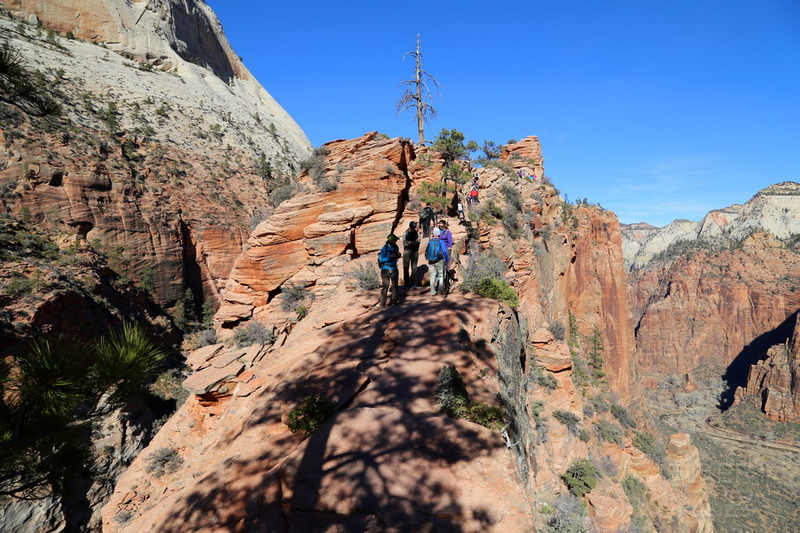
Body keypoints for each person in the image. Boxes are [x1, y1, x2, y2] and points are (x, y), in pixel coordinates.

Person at [378, 234, 401, 308]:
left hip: (394, 268)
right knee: (386, 286)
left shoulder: (395, 247)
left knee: (395, 286)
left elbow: (397, 255)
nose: (396, 241)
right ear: (391, 240)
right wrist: (389, 257)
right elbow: (381, 259)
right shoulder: (384, 248)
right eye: (395, 240)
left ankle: (395, 302)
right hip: (385, 269)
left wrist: (398, 255)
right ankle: (382, 304)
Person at [425, 228, 449, 296]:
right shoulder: (441, 241)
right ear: (439, 234)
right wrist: (446, 260)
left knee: (432, 276)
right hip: (439, 260)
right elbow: (444, 251)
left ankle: (432, 291)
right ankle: (440, 290)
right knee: (441, 275)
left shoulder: (430, 241)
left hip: (431, 260)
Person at [402, 221, 420, 287]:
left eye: (414, 228)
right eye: (412, 228)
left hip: (415, 251)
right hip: (407, 251)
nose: (413, 229)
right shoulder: (405, 233)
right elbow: (404, 243)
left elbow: (419, 242)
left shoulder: (417, 233)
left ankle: (413, 283)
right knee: (406, 267)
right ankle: (406, 282)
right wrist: (414, 242)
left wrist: (410, 242)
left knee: (414, 267)